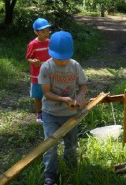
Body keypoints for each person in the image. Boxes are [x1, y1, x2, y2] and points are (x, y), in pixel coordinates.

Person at [38, 31, 88, 185]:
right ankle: (50, 174)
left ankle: (71, 169)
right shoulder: (46, 68)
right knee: (50, 145)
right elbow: (46, 92)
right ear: (51, 53)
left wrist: (80, 96)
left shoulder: (75, 66)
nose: (62, 62)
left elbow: (83, 85)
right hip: (50, 113)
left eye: (65, 58)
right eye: (58, 58)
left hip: (70, 114)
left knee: (71, 144)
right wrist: (62, 99)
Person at [26, 18, 51, 124]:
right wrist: (33, 61)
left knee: (49, 94)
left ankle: (48, 112)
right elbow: (28, 57)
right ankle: (39, 114)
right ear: (36, 32)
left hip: (49, 74)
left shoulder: (50, 42)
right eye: (42, 31)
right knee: (38, 96)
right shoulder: (33, 44)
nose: (46, 33)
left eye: (47, 30)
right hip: (37, 76)